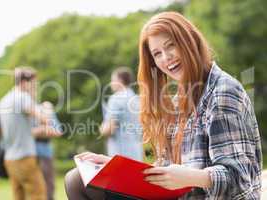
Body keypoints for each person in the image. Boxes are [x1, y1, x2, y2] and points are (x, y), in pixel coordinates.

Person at [65, 11, 262, 200]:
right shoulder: (178, 101)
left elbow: (239, 176)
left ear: (189, 41)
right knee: (78, 180)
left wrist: (191, 177)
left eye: (170, 46)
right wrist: (115, 168)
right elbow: (166, 170)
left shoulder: (223, 91)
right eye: (157, 53)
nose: (166, 58)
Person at [0, 67, 52, 200]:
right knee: (38, 194)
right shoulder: (23, 97)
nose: (34, 88)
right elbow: (45, 119)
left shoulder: (4, 100)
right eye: (33, 84)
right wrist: (46, 109)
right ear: (23, 83)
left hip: (9, 159)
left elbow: (9, 131)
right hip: (25, 156)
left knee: (18, 196)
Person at [99, 67, 143, 161]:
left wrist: (102, 129)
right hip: (136, 151)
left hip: (120, 152)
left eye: (112, 80)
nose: (111, 84)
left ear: (119, 80)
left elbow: (109, 129)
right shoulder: (136, 99)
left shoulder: (115, 99)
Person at [32, 101, 63, 200]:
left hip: (46, 152)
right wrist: (44, 130)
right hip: (31, 153)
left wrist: (42, 130)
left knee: (49, 183)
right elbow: (28, 133)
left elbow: (58, 131)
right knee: (34, 183)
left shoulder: (49, 114)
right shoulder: (31, 112)